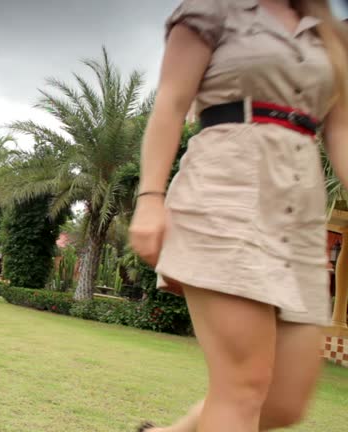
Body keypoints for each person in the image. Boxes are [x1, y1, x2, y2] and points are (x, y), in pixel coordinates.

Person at [129, 1, 348, 431]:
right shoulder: (214, 9)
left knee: (284, 404)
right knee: (243, 389)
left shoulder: (329, 33)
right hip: (225, 196)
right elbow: (171, 103)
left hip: (300, 219)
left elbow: (339, 127)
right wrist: (150, 196)